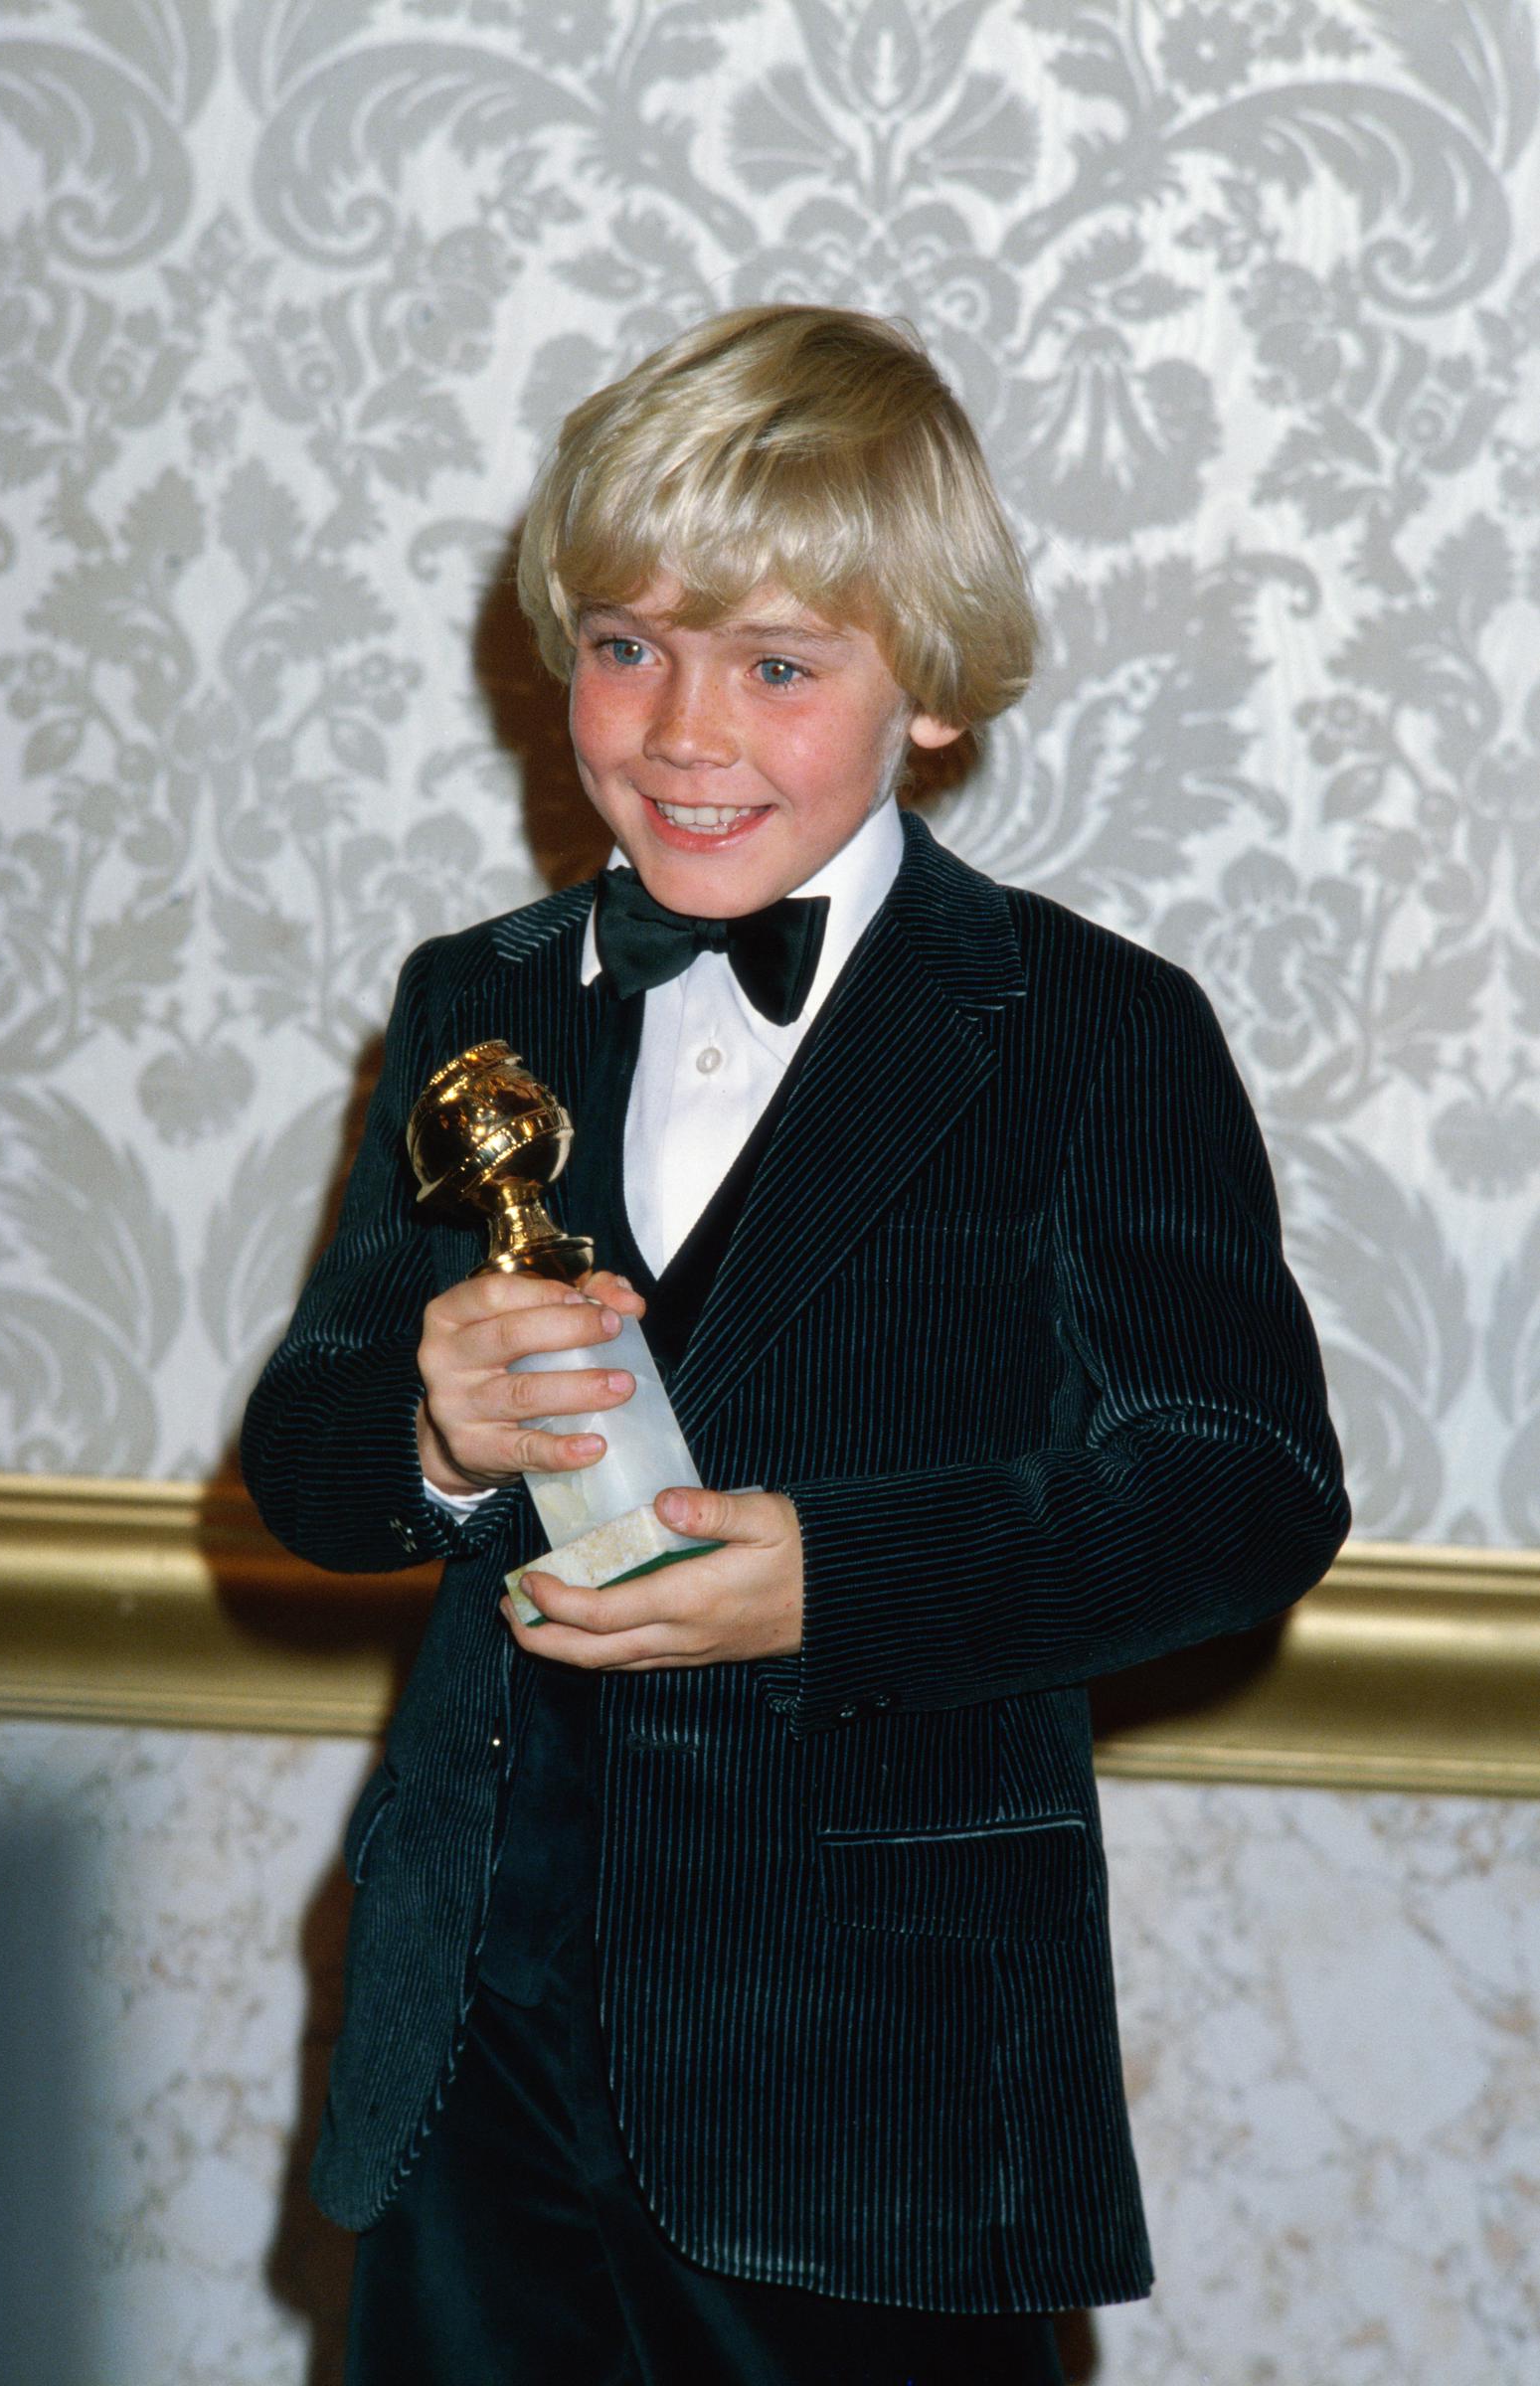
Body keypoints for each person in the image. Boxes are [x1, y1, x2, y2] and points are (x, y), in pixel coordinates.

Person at [242, 305, 1349, 2384]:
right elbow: (305, 1463)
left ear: (923, 690)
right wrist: (428, 1432)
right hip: (476, 2046)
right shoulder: (474, 997)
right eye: (624, 643)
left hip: (879, 2079)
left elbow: (1237, 1490)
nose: (679, 728)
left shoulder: (1087, 1027)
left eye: (774, 662)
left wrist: (840, 1583)